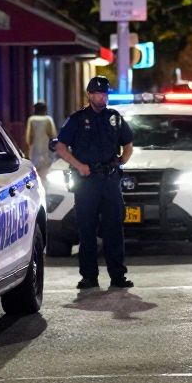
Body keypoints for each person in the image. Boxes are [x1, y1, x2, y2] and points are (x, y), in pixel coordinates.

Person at [54, 77, 134, 290]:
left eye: (105, 94)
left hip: (110, 180)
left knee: (114, 229)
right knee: (87, 229)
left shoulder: (114, 118)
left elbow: (128, 143)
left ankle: (118, 276)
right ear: (89, 95)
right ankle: (89, 277)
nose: (103, 97)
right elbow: (61, 147)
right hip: (87, 181)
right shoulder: (77, 119)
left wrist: (122, 160)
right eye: (99, 94)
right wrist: (79, 165)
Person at [25, 101, 57, 179]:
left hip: (34, 148)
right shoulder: (48, 119)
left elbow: (29, 137)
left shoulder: (31, 119)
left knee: (35, 171)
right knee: (45, 171)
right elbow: (52, 135)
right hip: (45, 148)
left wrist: (27, 149)